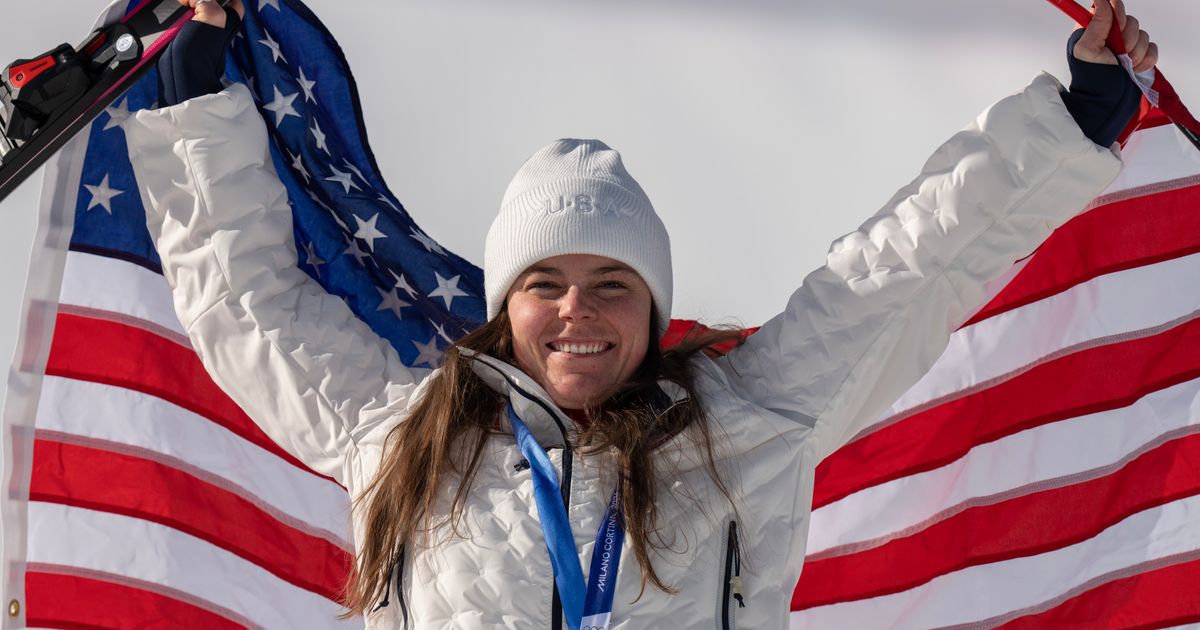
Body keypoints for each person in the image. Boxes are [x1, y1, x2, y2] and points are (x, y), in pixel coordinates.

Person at [124, 0, 1158, 627]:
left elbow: (908, 268)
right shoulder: (404, 441)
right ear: (506, 308)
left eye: (612, 284)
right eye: (545, 285)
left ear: (654, 306)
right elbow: (250, 305)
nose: (579, 311)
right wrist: (192, 109)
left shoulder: (745, 427)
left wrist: (1071, 121)